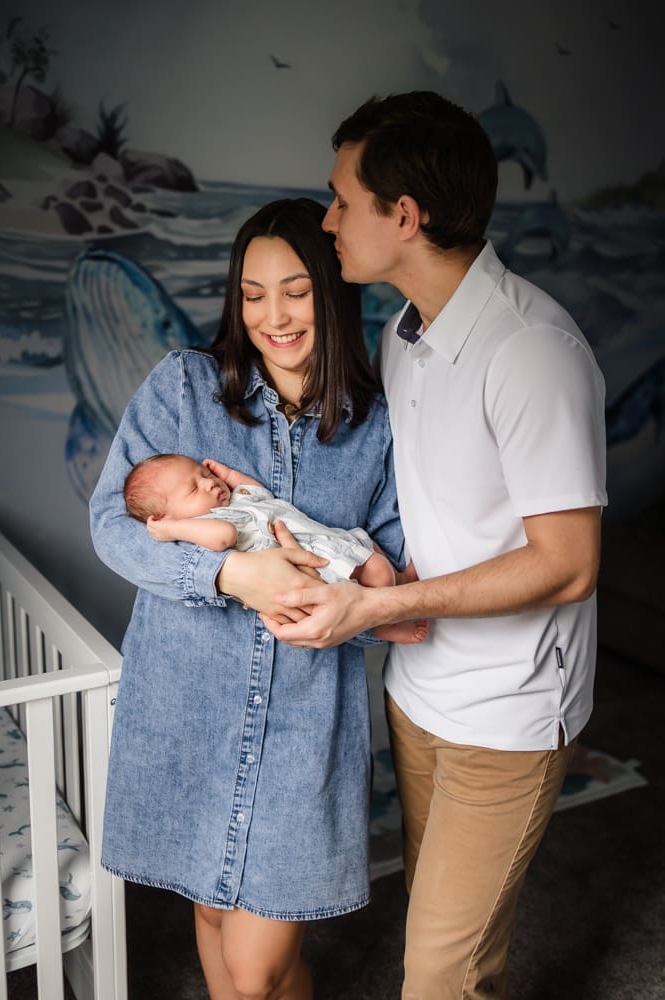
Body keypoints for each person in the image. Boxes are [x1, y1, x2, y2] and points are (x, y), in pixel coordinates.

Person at [243, 93, 608, 999]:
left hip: (509, 711)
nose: (326, 221)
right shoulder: (406, 332)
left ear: (402, 217)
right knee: (434, 927)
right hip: (420, 693)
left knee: (438, 975)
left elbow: (566, 563)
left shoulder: (530, 351)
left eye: (339, 201)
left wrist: (379, 606)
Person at [89, 196, 415, 1000]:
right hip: (187, 708)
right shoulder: (185, 388)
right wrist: (232, 574)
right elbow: (111, 525)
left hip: (304, 725)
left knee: (258, 967)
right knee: (217, 935)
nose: (274, 314)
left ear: (333, 291)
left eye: (297, 290)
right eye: (253, 292)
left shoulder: (374, 425)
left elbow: (398, 585)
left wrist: (332, 585)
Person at [124, 451, 427, 643]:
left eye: (205, 474)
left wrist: (229, 476)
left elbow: (258, 491)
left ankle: (400, 587)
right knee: (378, 574)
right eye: (193, 488)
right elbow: (224, 537)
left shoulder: (235, 498)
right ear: (165, 516)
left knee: (376, 558)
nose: (209, 483)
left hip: (324, 539)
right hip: (316, 563)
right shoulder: (207, 521)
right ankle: (384, 623)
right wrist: (173, 529)